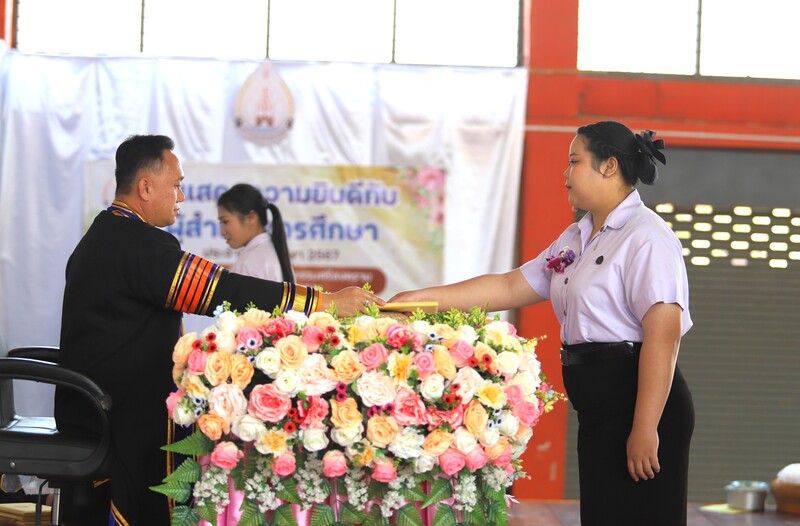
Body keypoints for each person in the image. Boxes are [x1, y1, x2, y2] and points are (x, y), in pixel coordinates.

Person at [54, 135, 382, 526]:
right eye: (176, 184)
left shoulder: (110, 233)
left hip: (97, 399)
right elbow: (219, 289)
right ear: (145, 187)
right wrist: (323, 302)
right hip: (115, 408)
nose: (182, 195)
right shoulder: (136, 242)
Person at [390, 121, 694, 526]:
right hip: (600, 408)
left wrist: (645, 427)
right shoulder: (577, 236)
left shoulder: (647, 237)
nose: (566, 174)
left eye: (575, 161)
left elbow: (664, 334)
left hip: (640, 403)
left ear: (609, 166)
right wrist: (417, 301)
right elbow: (511, 285)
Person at [217, 183, 294, 282]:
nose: (222, 231)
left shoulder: (248, 264)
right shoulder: (275, 253)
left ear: (251, 218)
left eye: (225, 221)